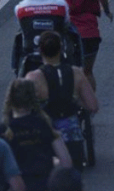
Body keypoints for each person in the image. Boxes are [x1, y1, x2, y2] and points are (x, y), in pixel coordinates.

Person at [25, 31, 98, 172]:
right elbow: (93, 106)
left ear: (40, 51)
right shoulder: (76, 73)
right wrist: (76, 101)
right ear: (62, 49)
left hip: (44, 141)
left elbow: (24, 109)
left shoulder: (33, 77)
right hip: (71, 140)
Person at [2, 78, 72, 190]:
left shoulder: (4, 130)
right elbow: (66, 162)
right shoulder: (44, 125)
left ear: (10, 99)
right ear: (33, 99)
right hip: (45, 184)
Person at [56, 0, 112, 90]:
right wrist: (107, 10)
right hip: (90, 34)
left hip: (70, 35)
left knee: (72, 70)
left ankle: (73, 100)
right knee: (87, 71)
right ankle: (90, 103)